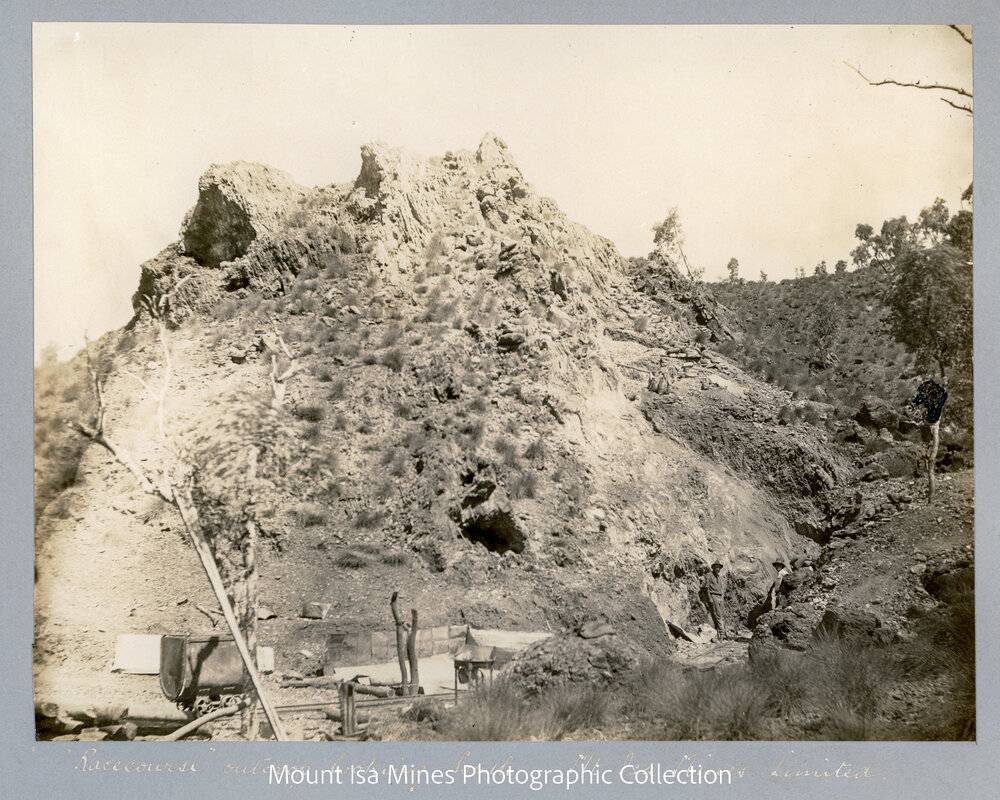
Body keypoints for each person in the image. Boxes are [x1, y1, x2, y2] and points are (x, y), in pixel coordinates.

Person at [703, 561, 728, 639]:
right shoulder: (708, 575)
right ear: (713, 567)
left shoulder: (718, 577)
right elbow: (707, 587)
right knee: (718, 615)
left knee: (722, 614)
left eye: (719, 567)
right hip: (714, 595)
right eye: (716, 567)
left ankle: (723, 632)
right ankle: (722, 633)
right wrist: (710, 598)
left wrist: (722, 597)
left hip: (720, 596)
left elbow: (721, 588)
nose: (718, 569)